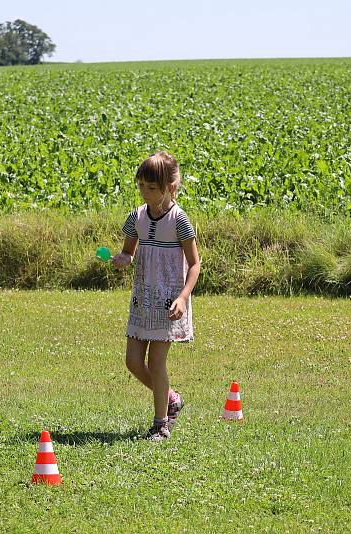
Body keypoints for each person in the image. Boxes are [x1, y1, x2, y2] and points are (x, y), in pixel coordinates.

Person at [112, 151, 201, 441]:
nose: (145, 192)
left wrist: (183, 297)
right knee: (133, 362)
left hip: (168, 303)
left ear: (170, 188)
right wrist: (123, 258)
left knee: (157, 362)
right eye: (141, 186)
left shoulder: (179, 220)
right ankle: (172, 397)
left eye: (151, 188)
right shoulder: (136, 217)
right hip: (142, 300)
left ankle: (161, 423)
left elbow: (195, 263)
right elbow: (129, 250)